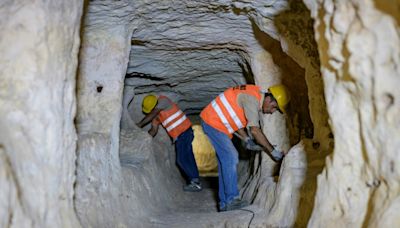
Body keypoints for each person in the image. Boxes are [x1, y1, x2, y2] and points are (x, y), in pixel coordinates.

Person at [200, 84, 290, 211]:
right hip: (213, 122)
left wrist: (247, 139)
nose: (272, 111)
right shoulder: (252, 99)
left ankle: (225, 203)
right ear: (269, 99)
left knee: (224, 161)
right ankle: (232, 200)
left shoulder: (251, 95)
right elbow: (255, 130)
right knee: (231, 157)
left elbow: (235, 120)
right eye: (274, 107)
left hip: (214, 122)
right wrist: (273, 151)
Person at [136, 94, 202, 192]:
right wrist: (143, 138)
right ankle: (195, 180)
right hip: (181, 136)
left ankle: (195, 182)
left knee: (181, 159)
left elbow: (154, 112)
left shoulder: (164, 101)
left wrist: (139, 125)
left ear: (154, 105)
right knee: (188, 156)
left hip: (185, 132)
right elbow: (153, 131)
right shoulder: (157, 116)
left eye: (151, 110)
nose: (151, 112)